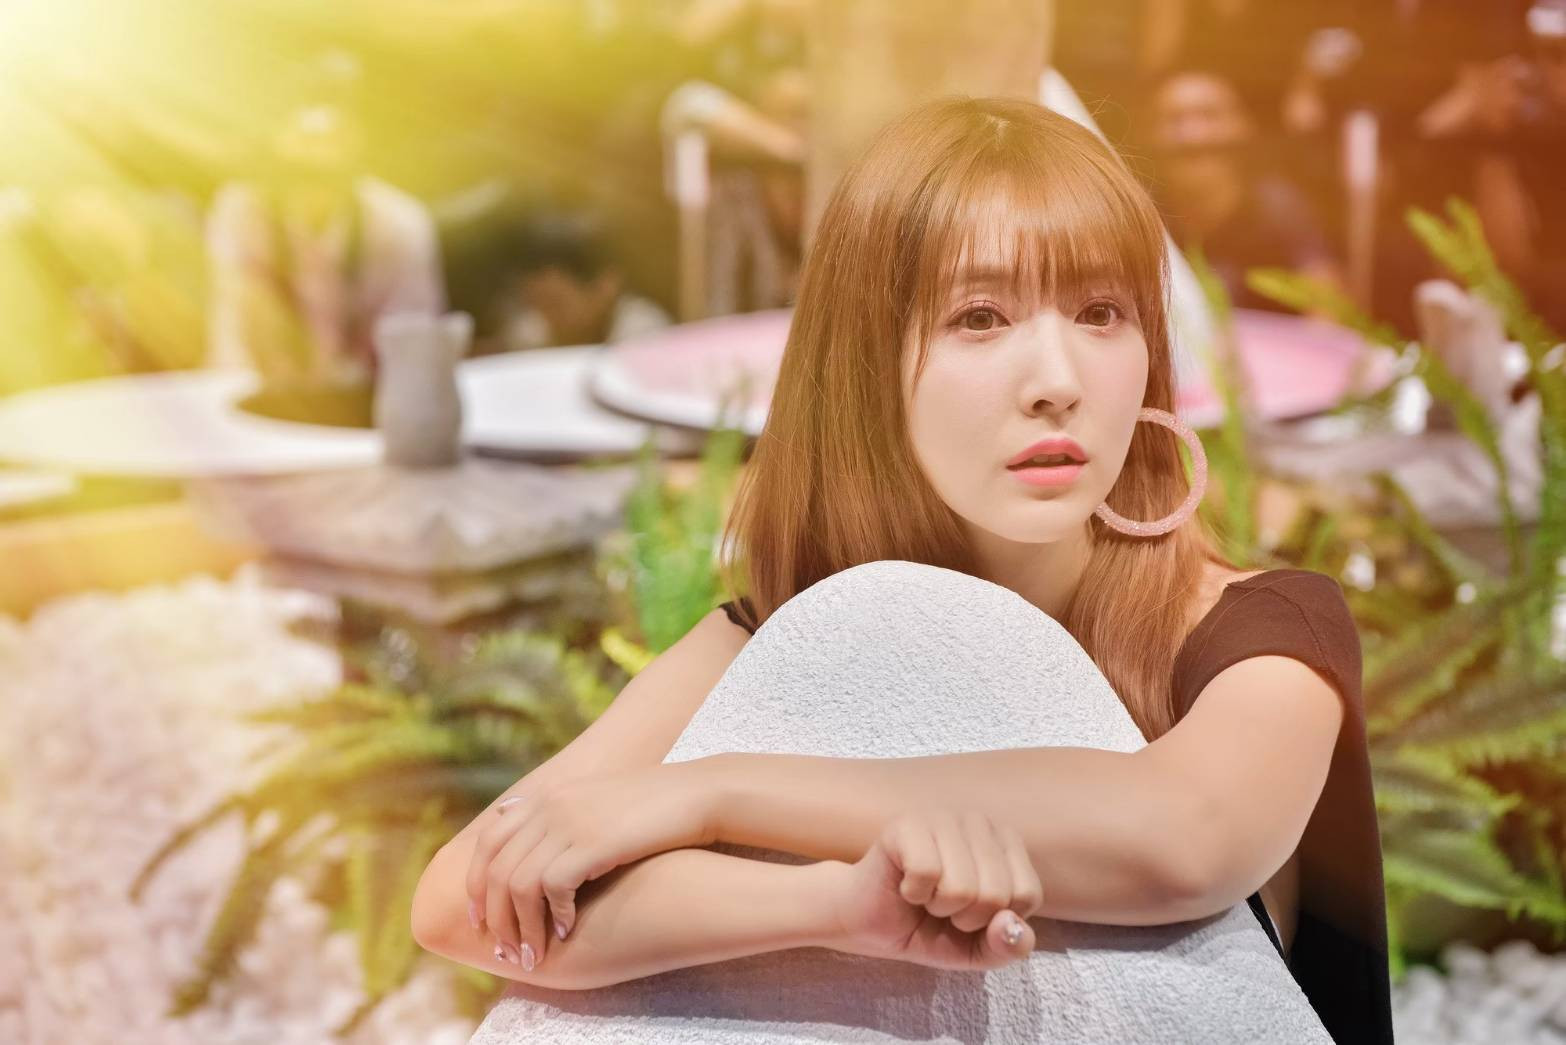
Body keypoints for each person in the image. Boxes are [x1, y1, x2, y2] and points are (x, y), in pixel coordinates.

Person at [411, 97, 1392, 1044]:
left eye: (1102, 311)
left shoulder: (1261, 630)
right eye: (980, 317)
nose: (1057, 381)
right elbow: (464, 899)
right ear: (867, 361)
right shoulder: (786, 633)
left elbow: (1186, 837)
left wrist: (715, 793)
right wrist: (833, 904)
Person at [205, 104, 445, 383]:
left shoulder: (400, 223)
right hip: (265, 388)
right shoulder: (241, 213)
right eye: (300, 168)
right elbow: (235, 335)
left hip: (368, 392)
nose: (312, 184)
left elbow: (413, 336)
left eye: (326, 170)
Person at [1145, 68, 1343, 310]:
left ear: (1243, 125)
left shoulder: (1279, 209)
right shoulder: (1143, 212)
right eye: (1174, 120)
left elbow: (1330, 306)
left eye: (1209, 116)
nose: (1192, 135)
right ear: (1150, 134)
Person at [488, 212, 671, 352]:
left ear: (605, 285)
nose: (545, 317)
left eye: (556, 303)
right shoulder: (531, 334)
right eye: (535, 303)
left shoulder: (644, 334)